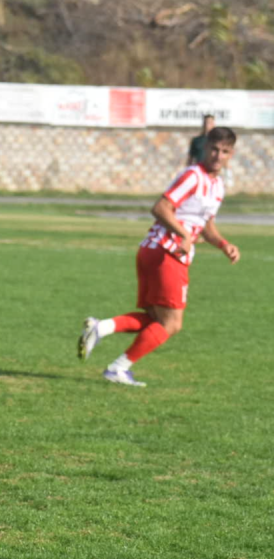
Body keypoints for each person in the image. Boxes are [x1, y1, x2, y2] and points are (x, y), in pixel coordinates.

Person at [78, 127, 241, 387]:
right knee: (172, 324)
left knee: (157, 320)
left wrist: (223, 244)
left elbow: (206, 225)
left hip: (158, 252)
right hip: (167, 252)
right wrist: (184, 235)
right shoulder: (193, 176)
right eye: (214, 149)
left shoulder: (217, 186)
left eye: (224, 151)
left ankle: (102, 328)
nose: (218, 155)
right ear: (205, 147)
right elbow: (161, 207)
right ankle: (118, 368)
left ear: (231, 154)